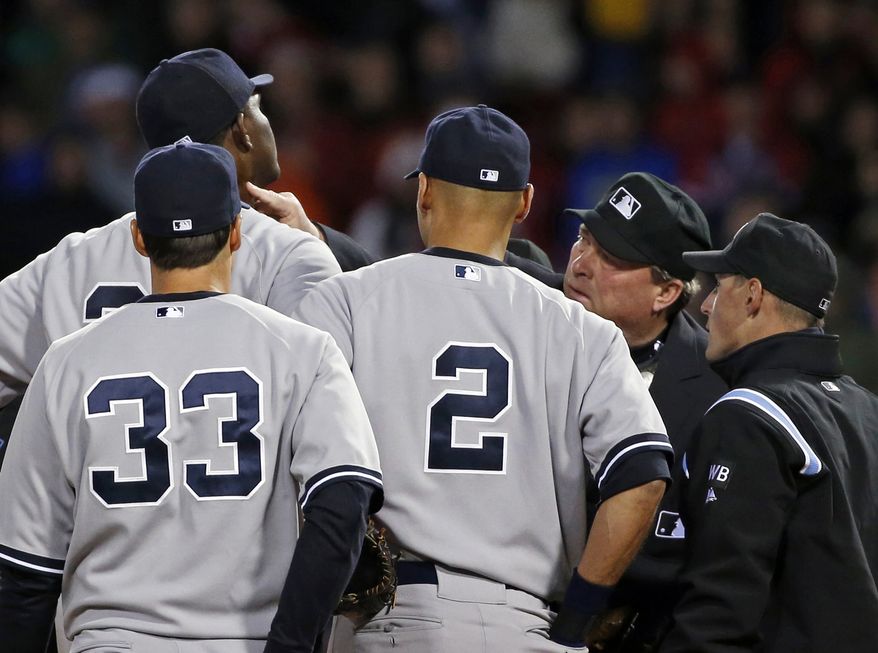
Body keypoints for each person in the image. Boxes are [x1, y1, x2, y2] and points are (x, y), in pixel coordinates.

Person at [294, 104, 673, 651]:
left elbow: (294, 462)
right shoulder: (582, 329)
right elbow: (641, 476)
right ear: (524, 204)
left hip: (389, 618)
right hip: (523, 619)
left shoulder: (345, 302)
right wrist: (573, 627)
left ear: (424, 191)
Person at [0, 140, 383, 653]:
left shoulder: (68, 362)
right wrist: (290, 643)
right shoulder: (301, 349)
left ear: (138, 238)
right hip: (246, 640)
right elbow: (342, 501)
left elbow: (25, 570)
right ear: (237, 233)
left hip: (112, 640)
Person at [0, 47, 341, 414]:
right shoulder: (285, 252)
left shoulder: (69, 261)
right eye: (258, 108)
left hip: (107, 470)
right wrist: (317, 238)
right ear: (242, 128)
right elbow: (339, 392)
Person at [661, 213, 878, 652]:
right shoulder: (866, 408)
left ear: (753, 295)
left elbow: (720, 605)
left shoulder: (749, 415)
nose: (705, 306)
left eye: (719, 287)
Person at [560, 173, 728, 651]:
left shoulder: (717, 394)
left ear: (666, 293)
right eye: (583, 239)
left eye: (610, 257)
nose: (580, 263)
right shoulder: (533, 304)